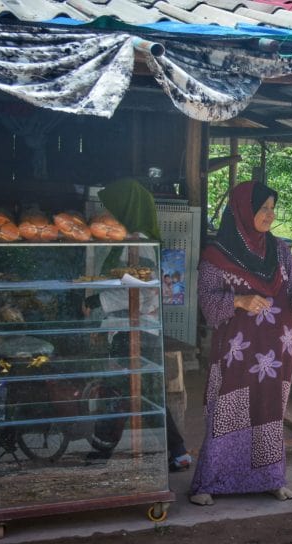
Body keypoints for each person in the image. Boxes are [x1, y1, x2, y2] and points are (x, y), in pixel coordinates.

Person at [189, 180, 292, 506]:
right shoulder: (217, 255)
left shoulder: (280, 251)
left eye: (272, 208)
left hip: (275, 349)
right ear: (244, 210)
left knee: (269, 411)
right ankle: (211, 481)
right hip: (236, 350)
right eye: (263, 208)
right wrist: (240, 301)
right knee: (228, 410)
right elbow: (206, 302)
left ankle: (270, 478)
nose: (270, 215)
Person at [90, 178, 192, 472]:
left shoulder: (138, 240)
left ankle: (101, 455)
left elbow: (143, 288)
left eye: (111, 208)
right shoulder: (131, 238)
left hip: (133, 330)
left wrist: (100, 300)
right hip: (133, 329)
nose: (107, 214)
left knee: (122, 394)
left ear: (126, 207)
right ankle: (177, 451)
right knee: (143, 393)